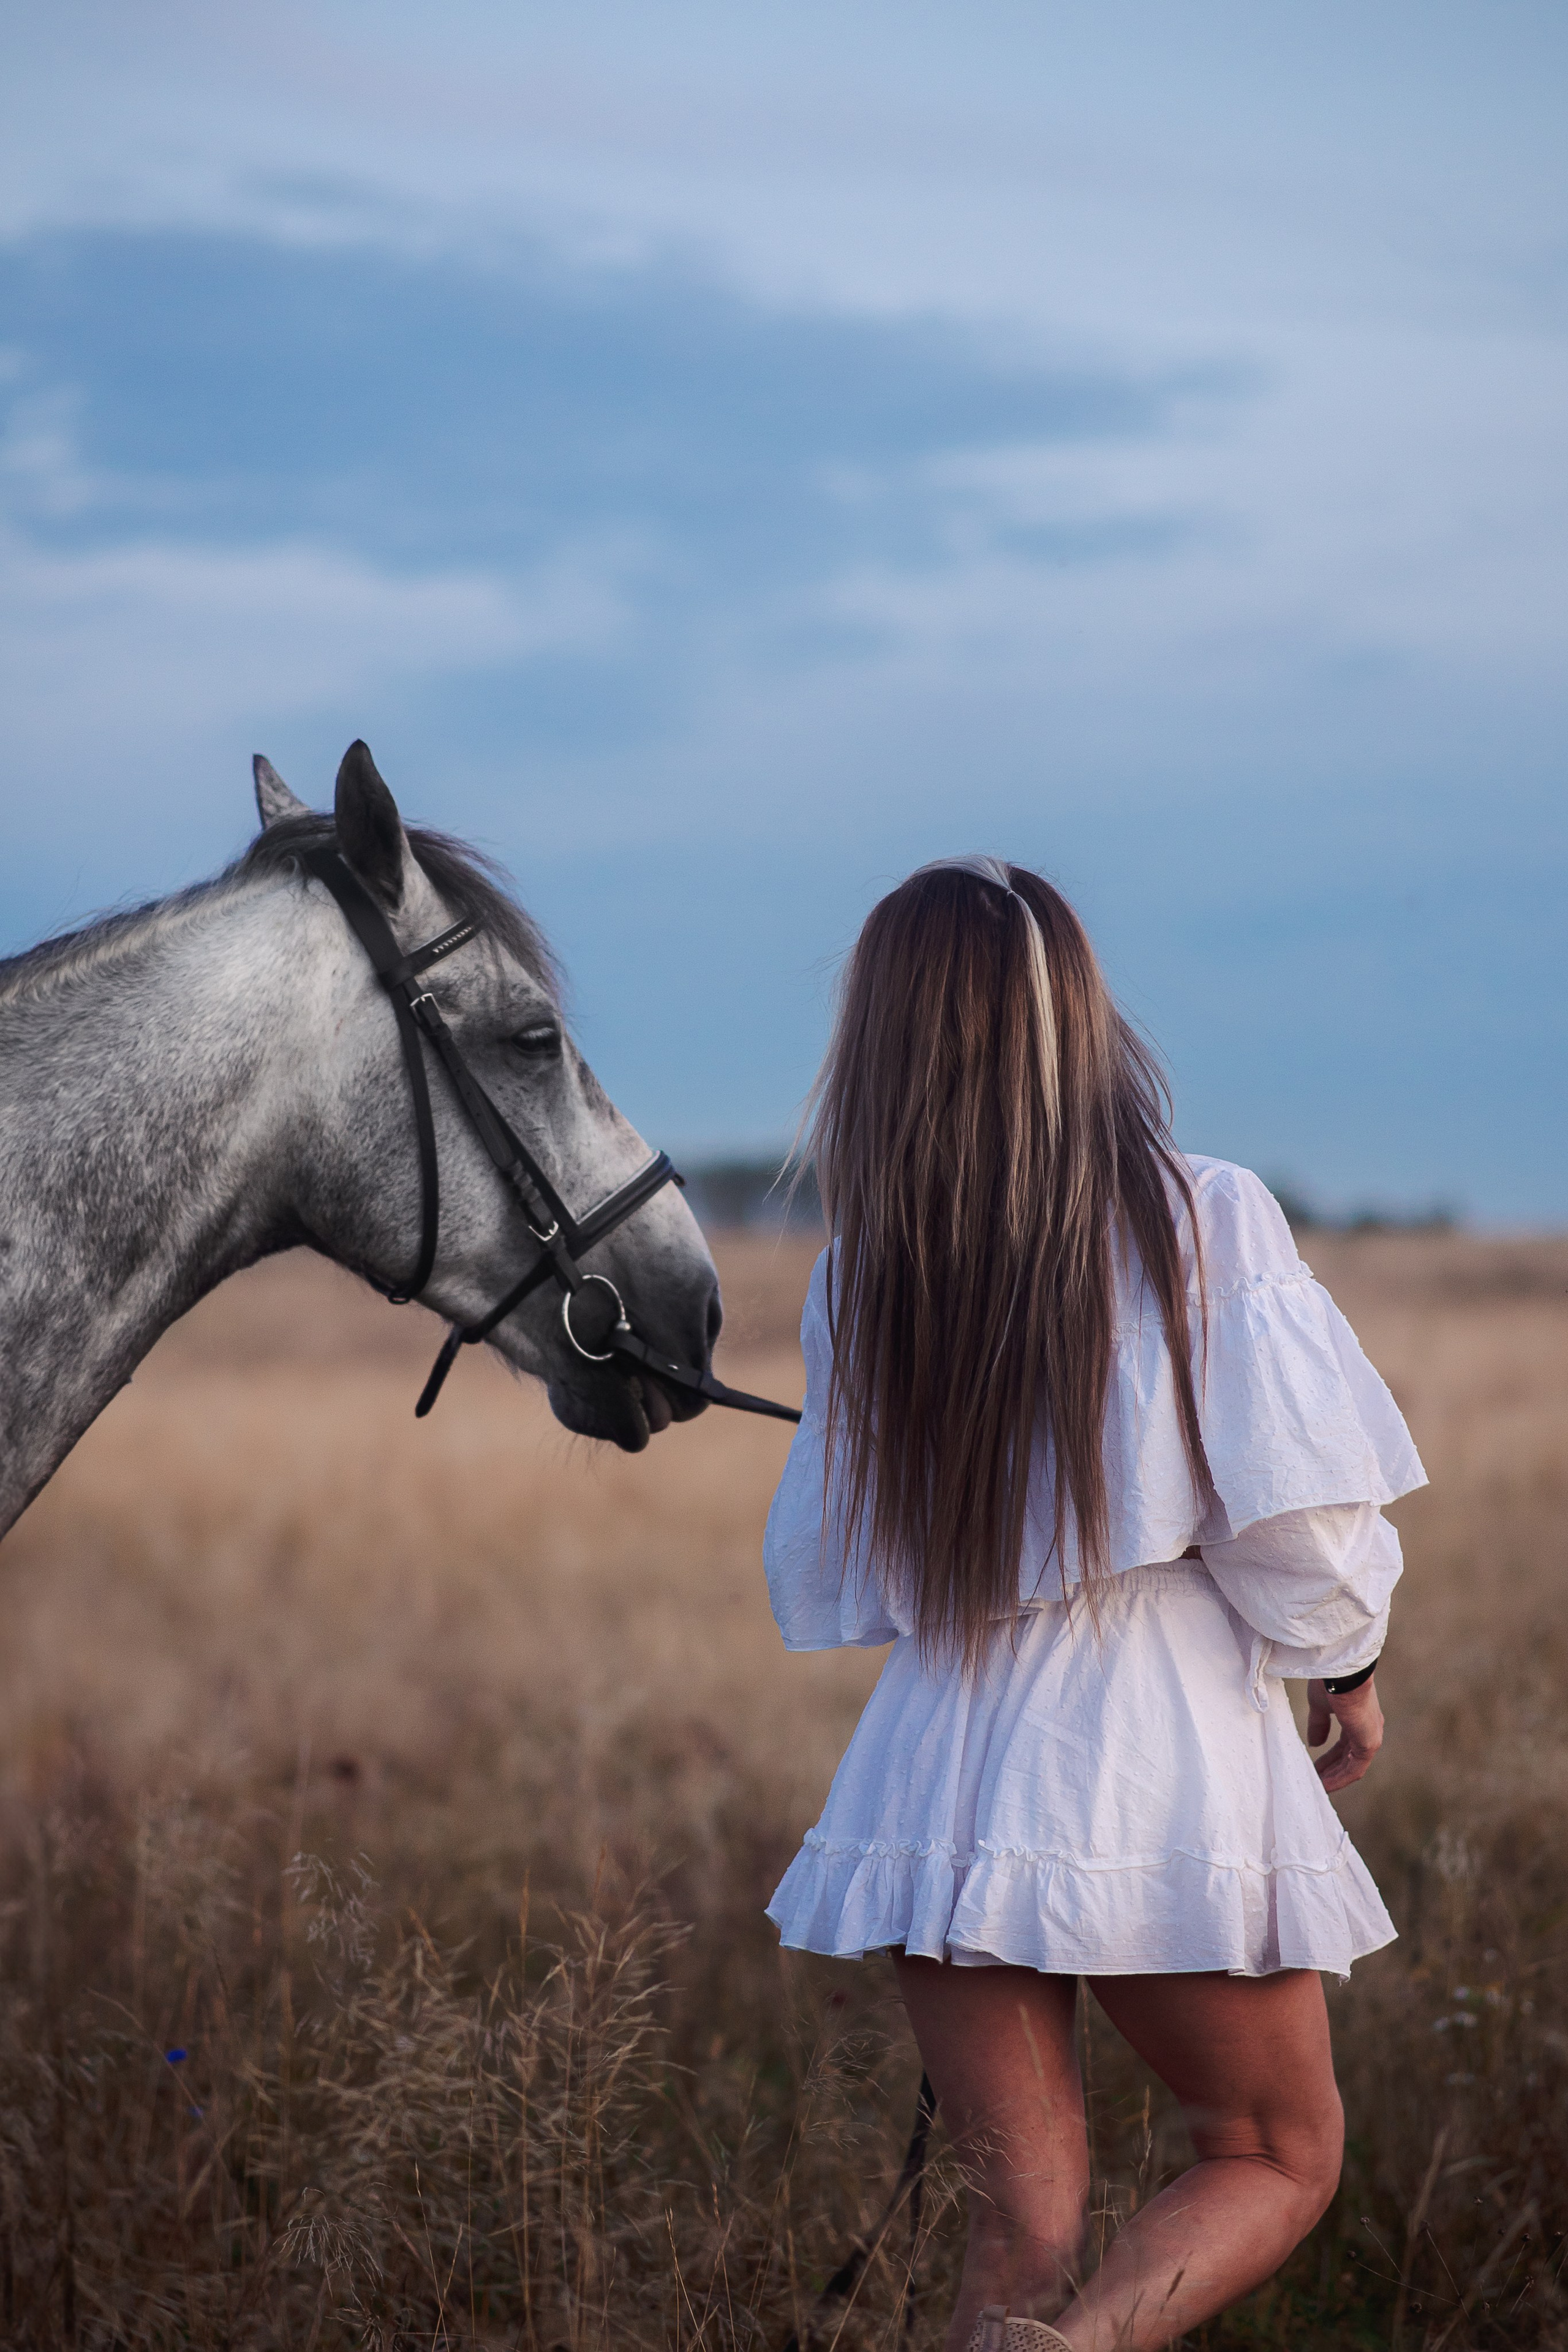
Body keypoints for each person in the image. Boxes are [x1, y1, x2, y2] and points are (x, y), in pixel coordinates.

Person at [762, 859, 1425, 2352]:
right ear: (1073, 1014)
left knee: (1023, 2225)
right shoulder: (1202, 1217)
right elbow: (1302, 1522)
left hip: (940, 1748)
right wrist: (1348, 1659)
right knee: (1269, 2155)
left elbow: (838, 1575)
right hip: (1150, 1731)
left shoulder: (863, 1274)